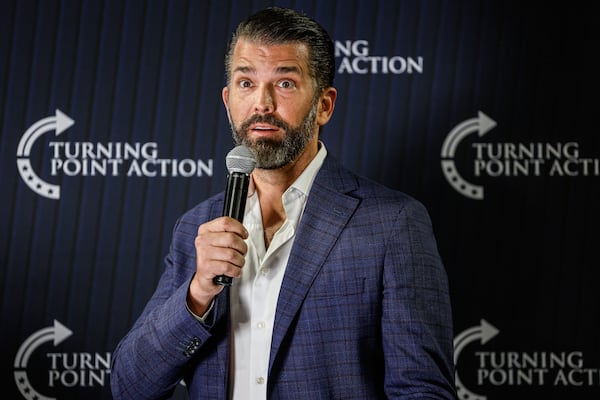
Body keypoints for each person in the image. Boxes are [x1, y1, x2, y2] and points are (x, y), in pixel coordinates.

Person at [111, 7, 457, 400]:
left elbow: (422, 391)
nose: (262, 104)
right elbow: (129, 387)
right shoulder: (197, 227)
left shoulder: (392, 223)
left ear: (324, 105)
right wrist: (196, 294)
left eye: (286, 83)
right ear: (228, 101)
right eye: (246, 82)